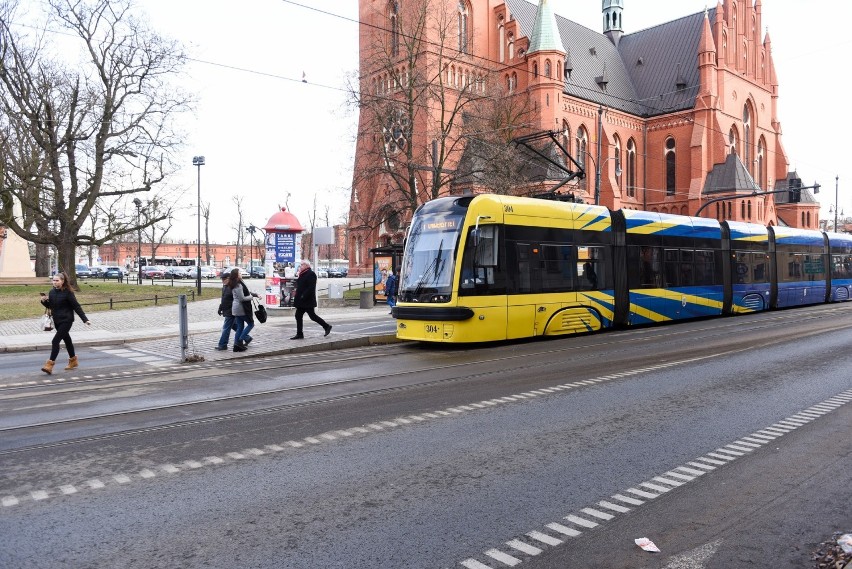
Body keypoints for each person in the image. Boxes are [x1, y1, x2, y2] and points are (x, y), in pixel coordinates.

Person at [38, 271, 91, 374]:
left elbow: (76, 306)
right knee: (67, 340)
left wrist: (85, 319)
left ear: (62, 281)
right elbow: (50, 306)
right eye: (53, 280)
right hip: (57, 320)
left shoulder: (68, 293)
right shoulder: (52, 292)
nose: (54, 282)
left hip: (66, 320)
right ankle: (73, 361)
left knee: (55, 341)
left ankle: (49, 365)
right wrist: (44, 301)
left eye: (57, 280)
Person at [291, 260, 332, 339]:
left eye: (302, 265)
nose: (300, 266)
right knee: (298, 316)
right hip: (301, 300)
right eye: (300, 265)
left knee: (312, 316)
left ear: (307, 265)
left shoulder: (311, 274)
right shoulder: (302, 274)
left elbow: (311, 288)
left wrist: (303, 296)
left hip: (307, 300)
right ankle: (300, 334)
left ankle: (326, 326)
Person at [228, 268, 259, 352]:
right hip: (241, 308)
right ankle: (239, 341)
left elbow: (246, 292)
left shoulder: (236, 283)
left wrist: (255, 294)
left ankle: (236, 346)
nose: (241, 274)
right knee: (251, 324)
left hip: (237, 309)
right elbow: (242, 298)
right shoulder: (238, 285)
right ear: (236, 275)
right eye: (240, 273)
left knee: (240, 327)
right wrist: (251, 297)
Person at [216, 272, 236, 351]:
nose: (222, 281)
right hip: (227, 310)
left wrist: (255, 295)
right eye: (222, 279)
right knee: (234, 326)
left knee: (226, 328)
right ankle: (247, 337)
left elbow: (242, 294)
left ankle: (223, 344)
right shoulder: (224, 287)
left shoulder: (233, 287)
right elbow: (223, 299)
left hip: (231, 311)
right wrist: (220, 308)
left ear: (229, 279)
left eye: (224, 279)